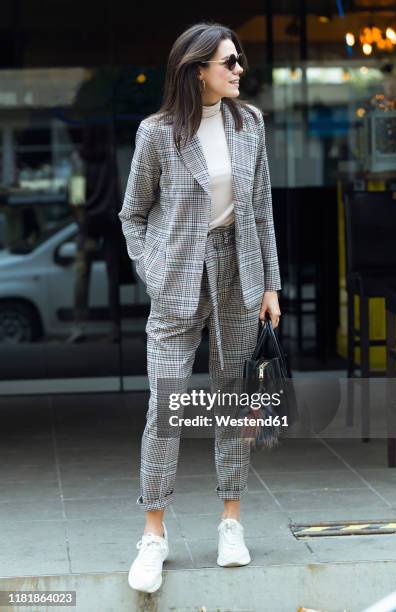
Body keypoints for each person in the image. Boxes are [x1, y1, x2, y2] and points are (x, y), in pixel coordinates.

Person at [118, 21, 281, 593]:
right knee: (166, 406)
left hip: (240, 276)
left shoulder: (251, 124)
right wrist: (153, 270)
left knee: (235, 402)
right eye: (229, 62)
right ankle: (154, 535)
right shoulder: (157, 133)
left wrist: (271, 286)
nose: (240, 71)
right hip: (178, 282)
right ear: (198, 71)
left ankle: (230, 523)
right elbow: (132, 214)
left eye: (239, 61)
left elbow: (261, 212)